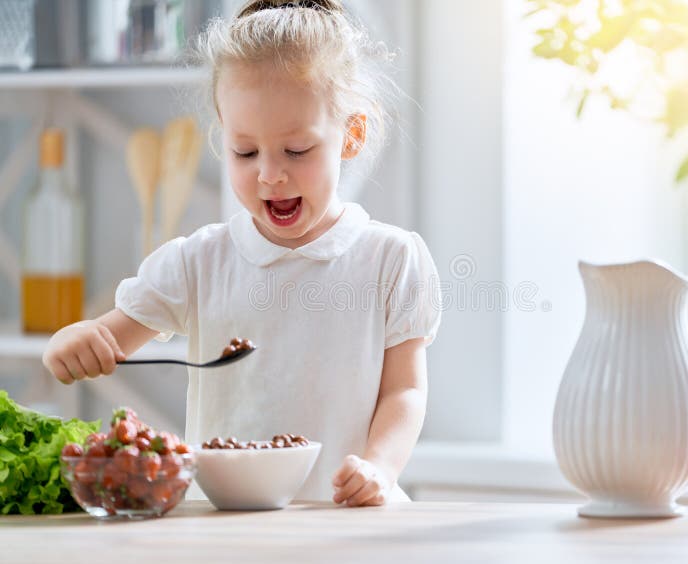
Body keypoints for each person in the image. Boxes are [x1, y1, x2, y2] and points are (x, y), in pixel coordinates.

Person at [41, 0, 441, 506]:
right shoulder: (198, 262)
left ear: (351, 136)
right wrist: (75, 342)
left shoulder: (390, 259)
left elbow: (404, 392)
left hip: (351, 522)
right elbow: (106, 338)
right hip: (227, 527)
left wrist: (380, 469)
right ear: (222, 139)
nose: (270, 175)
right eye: (245, 152)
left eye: (297, 151)